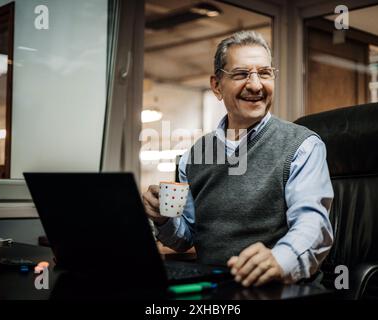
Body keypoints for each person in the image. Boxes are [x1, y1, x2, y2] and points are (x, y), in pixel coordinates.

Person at [142, 30, 334, 287]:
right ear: (217, 86)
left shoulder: (303, 146)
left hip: (282, 290)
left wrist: (279, 260)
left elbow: (313, 225)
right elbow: (185, 238)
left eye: (264, 73)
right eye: (241, 74)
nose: (255, 85)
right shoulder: (192, 157)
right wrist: (163, 218)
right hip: (215, 288)